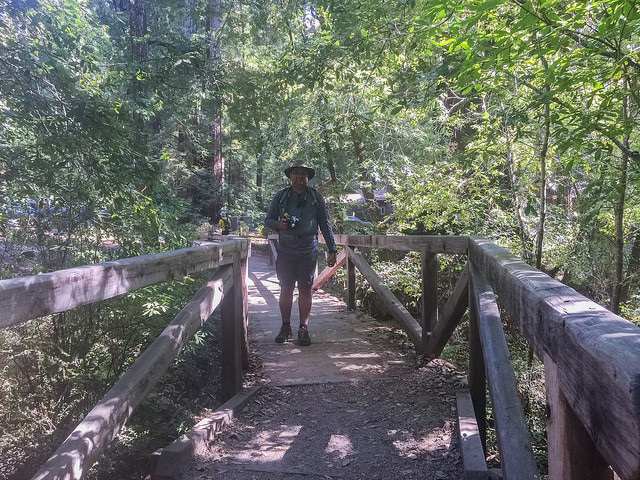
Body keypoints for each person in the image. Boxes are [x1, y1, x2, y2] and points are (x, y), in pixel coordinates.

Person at [264, 162, 338, 346]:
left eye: (303, 173)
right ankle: (285, 326)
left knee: (305, 288)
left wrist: (332, 249)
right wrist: (277, 225)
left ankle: (303, 328)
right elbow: (268, 220)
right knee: (286, 288)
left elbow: (325, 224)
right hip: (286, 249)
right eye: (296, 173)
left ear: (307, 177)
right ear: (290, 176)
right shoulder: (281, 196)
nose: (299, 176)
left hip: (308, 249)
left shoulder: (315, 197)